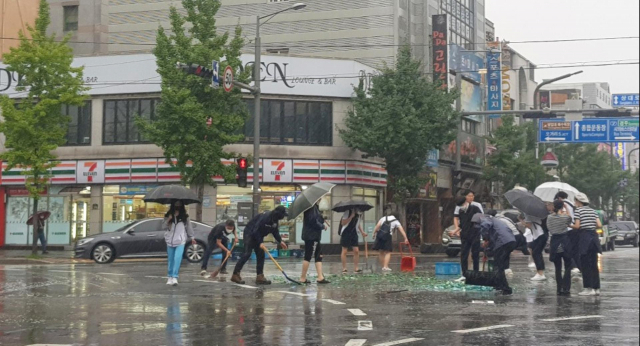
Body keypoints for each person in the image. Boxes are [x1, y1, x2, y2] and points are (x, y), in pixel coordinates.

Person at [232, 206, 289, 285]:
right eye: (283, 215)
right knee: (247, 253)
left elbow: (275, 231)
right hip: (250, 233)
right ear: (279, 214)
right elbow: (256, 230)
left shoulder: (275, 220)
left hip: (258, 235)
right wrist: (260, 242)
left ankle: (260, 276)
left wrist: (280, 241)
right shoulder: (265, 217)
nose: (283, 217)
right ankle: (235, 274)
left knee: (261, 255)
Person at [477, 215, 517, 295]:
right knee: (499, 265)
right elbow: (494, 238)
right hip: (510, 241)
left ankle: (505, 288)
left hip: (502, 242)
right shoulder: (496, 222)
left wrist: (485, 239)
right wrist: (488, 249)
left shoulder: (486, 219)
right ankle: (499, 285)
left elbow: (485, 226)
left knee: (498, 266)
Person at [572, 193, 603, 296]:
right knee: (594, 264)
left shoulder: (578, 211)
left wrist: (568, 225)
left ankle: (588, 288)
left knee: (585, 264)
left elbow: (577, 226)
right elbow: (599, 224)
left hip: (584, 237)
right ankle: (596, 288)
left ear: (579, 201)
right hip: (594, 238)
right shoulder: (593, 211)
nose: (575, 203)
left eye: (575, 201)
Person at [452, 191, 484, 282]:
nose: (461, 207)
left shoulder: (475, 208)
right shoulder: (461, 211)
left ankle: (476, 274)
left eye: (462, 205)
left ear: (466, 202)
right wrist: (455, 230)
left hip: (475, 234)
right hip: (465, 235)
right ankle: (464, 274)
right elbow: (462, 224)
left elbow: (482, 219)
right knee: (464, 255)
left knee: (475, 255)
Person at [163, 201, 196, 286]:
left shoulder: (185, 217)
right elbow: (163, 227)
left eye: (179, 205)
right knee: (171, 259)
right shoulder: (167, 215)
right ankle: (169, 277)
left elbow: (189, 227)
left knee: (177, 258)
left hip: (180, 240)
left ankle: (175, 277)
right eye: (176, 204)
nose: (177, 206)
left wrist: (192, 237)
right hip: (169, 240)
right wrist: (169, 220)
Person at [547, 200, 574, 296]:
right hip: (565, 243)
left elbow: (549, 228)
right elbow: (570, 219)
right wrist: (566, 208)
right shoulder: (565, 217)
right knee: (568, 266)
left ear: (554, 206)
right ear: (562, 207)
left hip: (555, 243)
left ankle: (559, 288)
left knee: (557, 267)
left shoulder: (549, 217)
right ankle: (566, 288)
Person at [300, 203, 330, 284]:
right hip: (312, 236)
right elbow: (313, 221)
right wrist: (322, 226)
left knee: (318, 255)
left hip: (313, 236)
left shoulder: (314, 208)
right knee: (308, 256)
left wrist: (322, 219)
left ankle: (320, 277)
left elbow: (315, 219)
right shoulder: (311, 208)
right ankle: (303, 278)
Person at [555, 191, 580, 276]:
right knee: (575, 248)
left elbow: (565, 216)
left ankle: (574, 266)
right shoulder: (571, 203)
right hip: (575, 227)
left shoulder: (563, 204)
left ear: (559, 198)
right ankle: (578, 266)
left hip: (569, 228)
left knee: (568, 249)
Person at [340, 209, 367, 273]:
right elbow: (343, 222)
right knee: (345, 250)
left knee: (356, 250)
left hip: (354, 233)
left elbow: (358, 224)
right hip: (346, 232)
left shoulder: (359, 214)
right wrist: (351, 217)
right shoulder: (347, 212)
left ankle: (356, 268)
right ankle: (344, 268)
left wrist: (362, 232)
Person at [528, 215, 549, 282]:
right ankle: (540, 272)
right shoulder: (538, 213)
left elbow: (528, 226)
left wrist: (521, 220)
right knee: (536, 252)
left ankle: (540, 273)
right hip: (541, 234)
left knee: (536, 253)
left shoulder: (528, 214)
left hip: (539, 235)